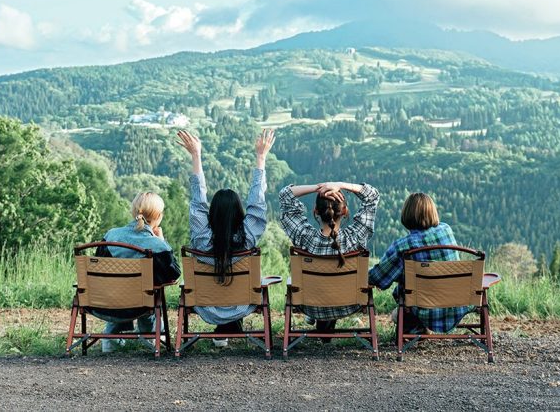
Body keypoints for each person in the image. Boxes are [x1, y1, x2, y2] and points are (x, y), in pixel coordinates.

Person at [176, 128, 275, 347]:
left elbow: (197, 200)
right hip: (242, 303)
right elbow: (257, 202)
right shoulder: (248, 238)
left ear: (211, 215)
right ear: (240, 213)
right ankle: (230, 324)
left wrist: (196, 156)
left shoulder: (201, 239)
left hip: (206, 306)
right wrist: (261, 158)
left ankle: (225, 326)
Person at [278, 179, 380, 334]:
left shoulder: (304, 237)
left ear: (316, 211)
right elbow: (372, 196)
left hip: (310, 305)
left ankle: (320, 321)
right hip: (349, 305)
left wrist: (317, 187)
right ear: (345, 212)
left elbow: (285, 195)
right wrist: (340, 185)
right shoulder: (356, 237)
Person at [368, 192, 469, 334]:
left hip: (424, 310)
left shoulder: (402, 247)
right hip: (455, 305)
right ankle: (419, 328)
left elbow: (376, 278)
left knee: (396, 315)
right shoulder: (446, 230)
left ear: (406, 215)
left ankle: (416, 327)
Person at [94, 191, 181, 352]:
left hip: (108, 302)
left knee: (120, 290)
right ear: (158, 216)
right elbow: (174, 274)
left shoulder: (110, 236)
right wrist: (162, 241)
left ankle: (110, 337)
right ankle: (151, 335)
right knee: (150, 291)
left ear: (133, 212)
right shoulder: (157, 246)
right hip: (141, 304)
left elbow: (99, 270)